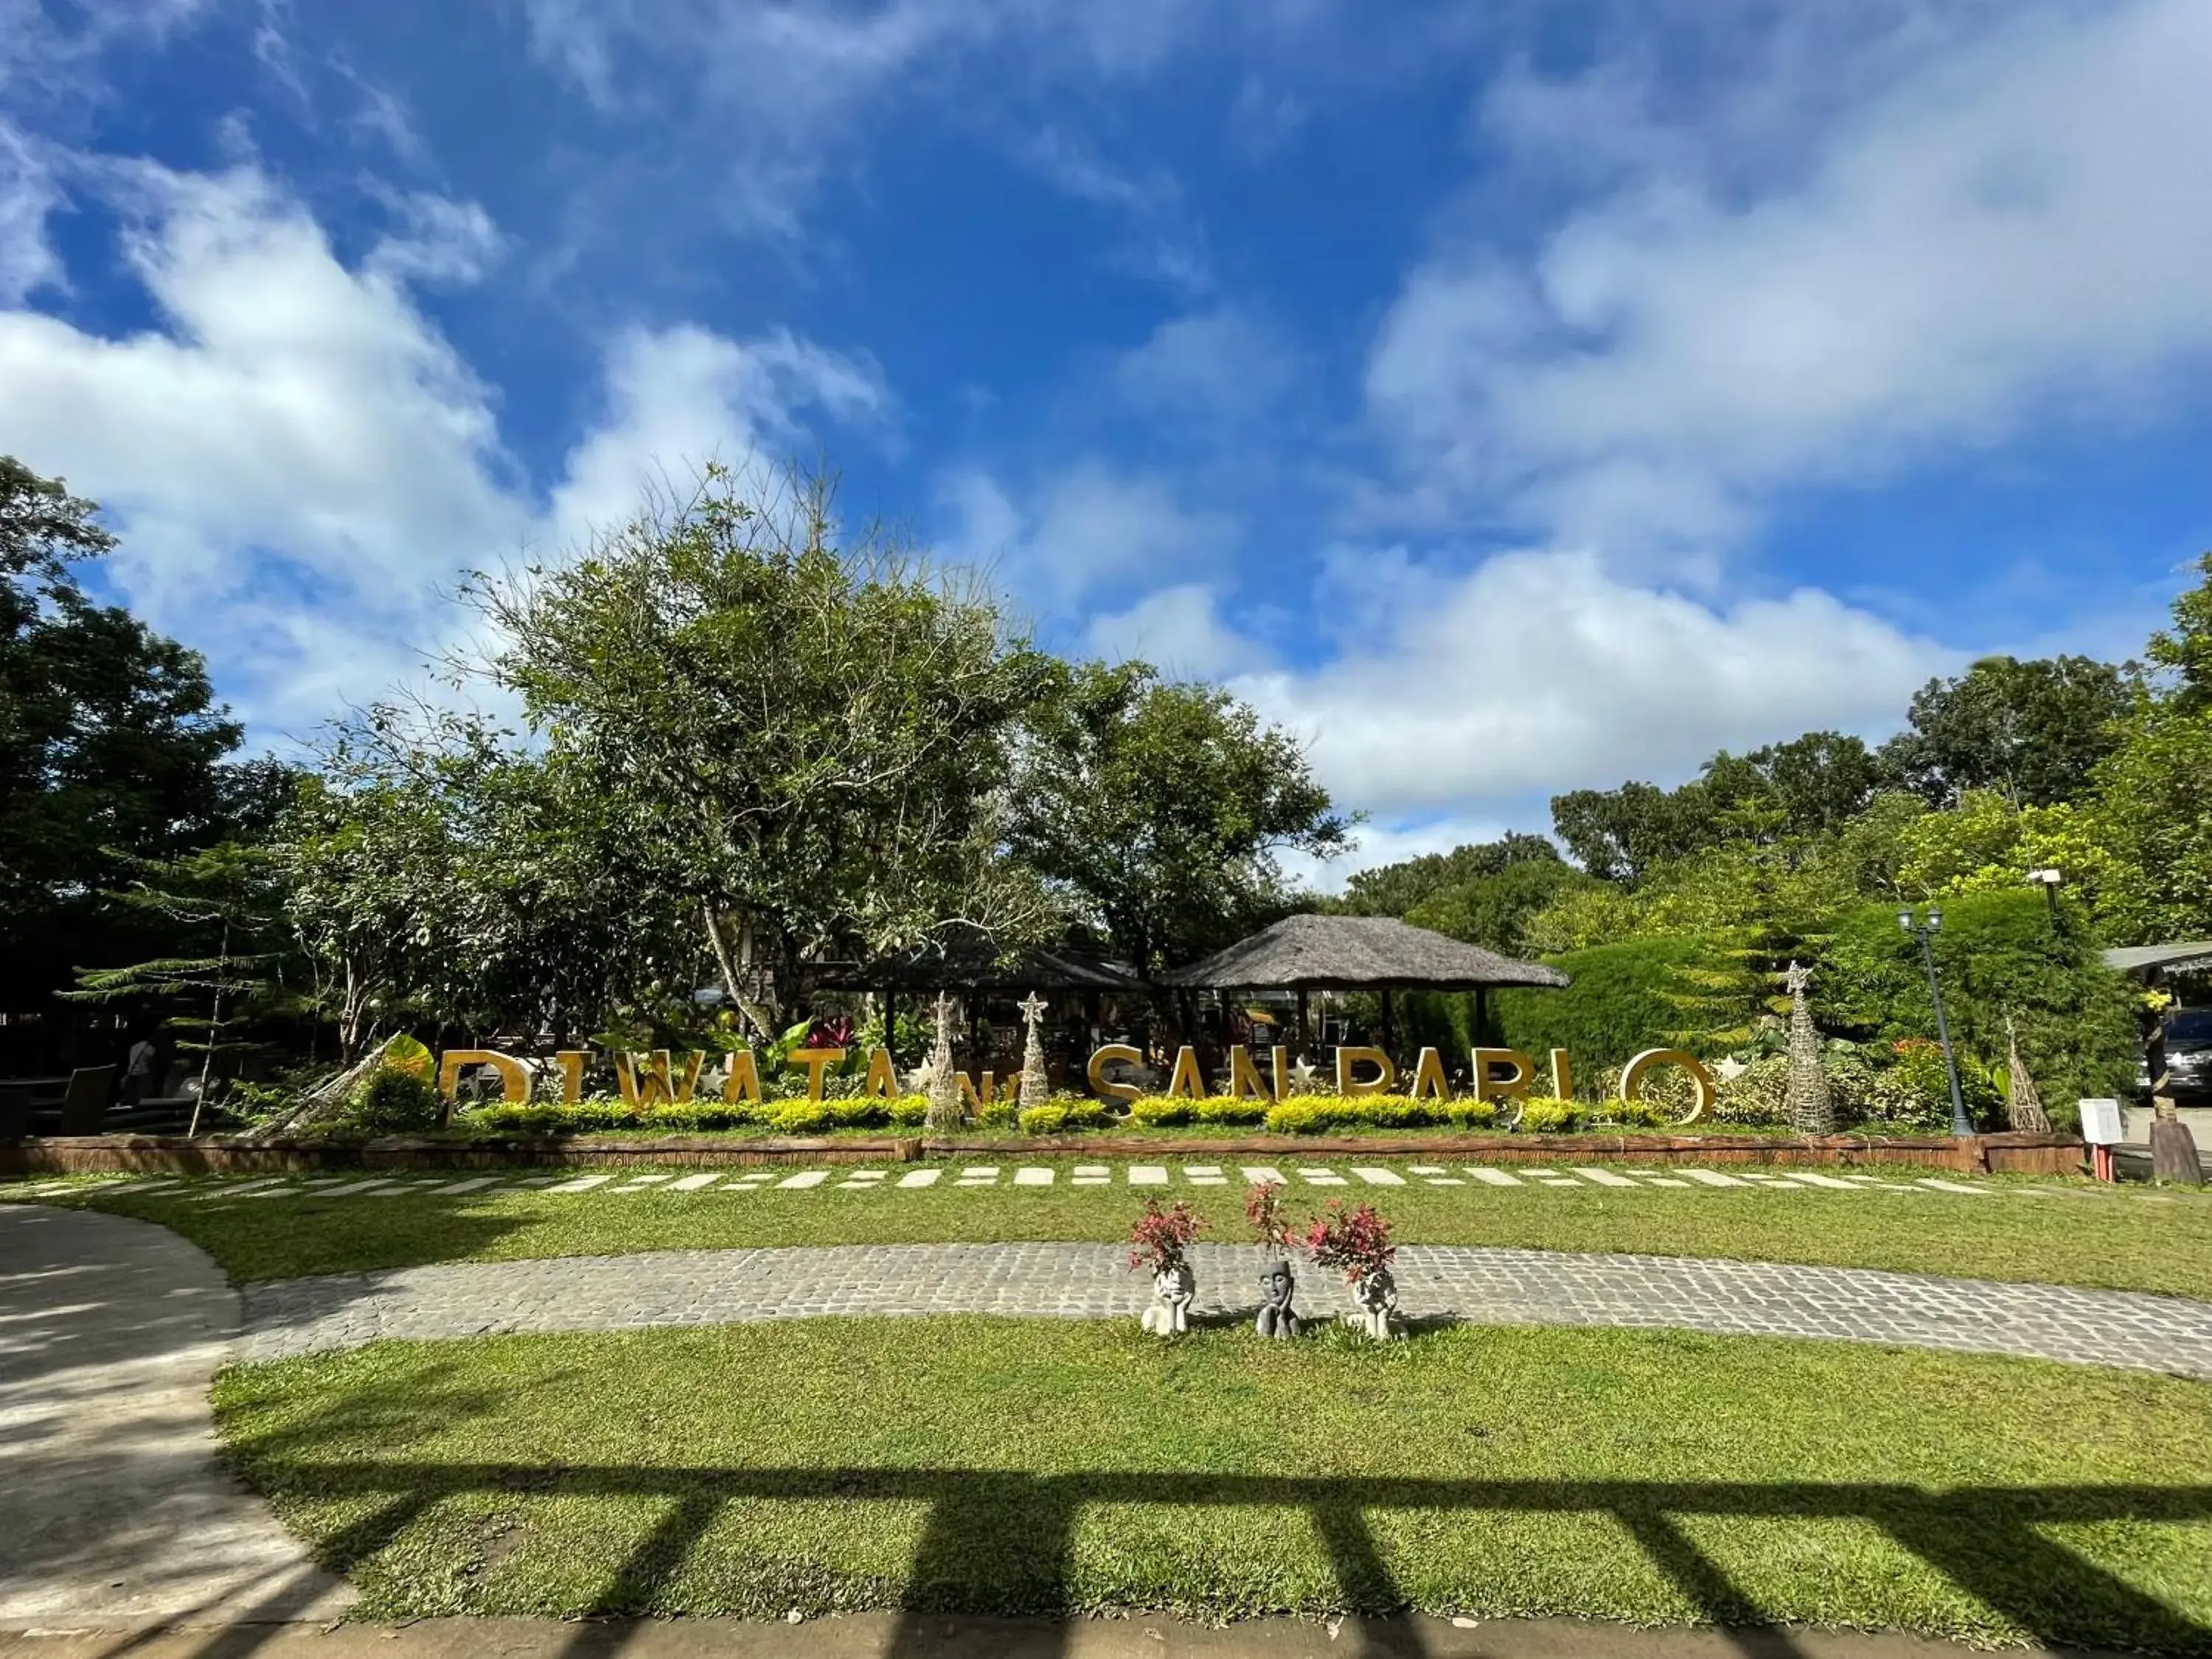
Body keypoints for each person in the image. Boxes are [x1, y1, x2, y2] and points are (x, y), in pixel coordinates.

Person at [122, 1036, 158, 1106]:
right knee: (142, 1096)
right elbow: (152, 1061)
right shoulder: (149, 1047)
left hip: (132, 1073)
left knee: (131, 1095)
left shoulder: (134, 1047)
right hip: (143, 1073)